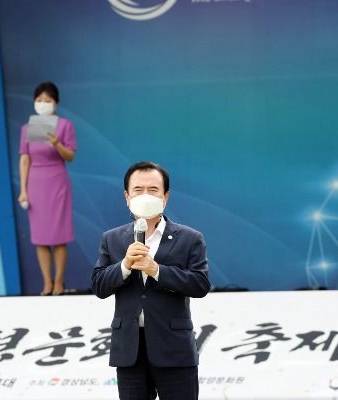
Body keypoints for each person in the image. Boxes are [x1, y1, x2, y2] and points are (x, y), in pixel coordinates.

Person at [91, 161, 210, 400]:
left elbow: (200, 284)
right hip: (130, 351)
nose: (145, 195)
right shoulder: (112, 239)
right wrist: (124, 266)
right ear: (127, 197)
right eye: (138, 190)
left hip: (174, 349)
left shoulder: (189, 238)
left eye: (153, 190)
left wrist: (157, 270)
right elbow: (99, 285)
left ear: (165, 196)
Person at [18, 82, 77, 296]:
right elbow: (25, 159)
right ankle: (47, 282)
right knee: (40, 237)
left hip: (57, 182)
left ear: (56, 103)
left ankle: (59, 282)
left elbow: (70, 156)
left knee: (59, 235)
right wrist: (23, 190)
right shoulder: (27, 128)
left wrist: (57, 143)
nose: (43, 104)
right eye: (39, 100)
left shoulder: (65, 125)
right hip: (35, 183)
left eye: (48, 100)